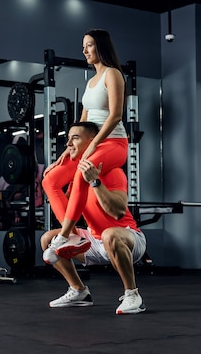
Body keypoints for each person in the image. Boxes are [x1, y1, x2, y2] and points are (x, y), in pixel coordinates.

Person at [41, 121, 147, 315]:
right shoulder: (76, 178)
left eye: (75, 138)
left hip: (128, 239)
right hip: (94, 241)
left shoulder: (114, 172)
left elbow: (118, 212)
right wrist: (52, 185)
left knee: (109, 234)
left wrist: (95, 182)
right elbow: (67, 208)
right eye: (68, 138)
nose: (68, 144)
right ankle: (79, 291)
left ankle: (133, 295)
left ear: (92, 143)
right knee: (48, 239)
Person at [42, 29, 129, 262]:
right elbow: (82, 123)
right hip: (91, 142)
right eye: (84, 46)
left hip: (114, 142)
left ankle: (61, 235)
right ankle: (72, 235)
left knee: (82, 175)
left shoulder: (113, 75)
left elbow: (116, 116)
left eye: (89, 45)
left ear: (100, 47)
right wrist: (68, 150)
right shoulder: (91, 82)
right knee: (50, 179)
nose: (84, 50)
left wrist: (92, 146)